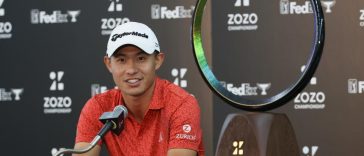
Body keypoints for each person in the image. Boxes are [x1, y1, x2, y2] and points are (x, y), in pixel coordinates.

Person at [73, 22, 204, 156]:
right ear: (109, 64)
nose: (131, 70)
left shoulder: (181, 104)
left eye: (141, 58)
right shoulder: (98, 107)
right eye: (121, 60)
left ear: (158, 60)